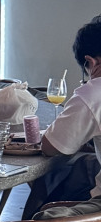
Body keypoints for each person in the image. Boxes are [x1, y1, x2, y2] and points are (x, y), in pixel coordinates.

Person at [38, 16, 101, 199]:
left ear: (90, 62)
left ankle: (35, 217)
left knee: (48, 210)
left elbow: (51, 147)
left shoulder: (93, 93)